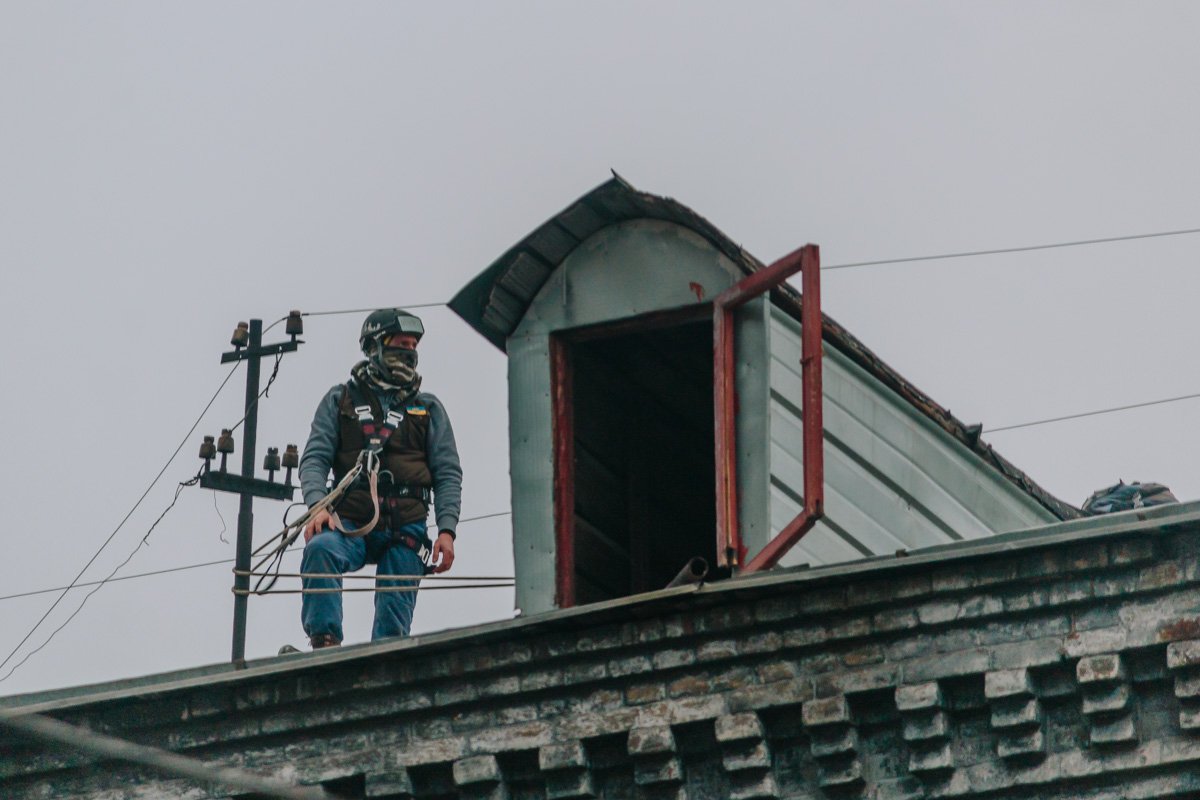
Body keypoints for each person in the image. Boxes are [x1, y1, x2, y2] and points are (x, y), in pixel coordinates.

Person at [297, 308, 462, 649]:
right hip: (351, 522)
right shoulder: (338, 400)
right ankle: (324, 645)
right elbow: (314, 459)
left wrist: (446, 530)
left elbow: (447, 473)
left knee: (391, 625)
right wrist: (317, 507)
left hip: (406, 530)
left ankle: (383, 664)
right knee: (321, 549)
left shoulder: (427, 408)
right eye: (402, 344)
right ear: (376, 346)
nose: (410, 353)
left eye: (414, 346)